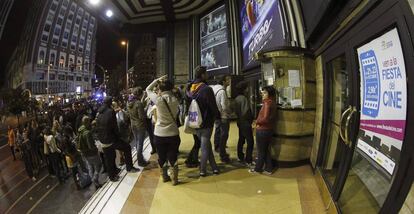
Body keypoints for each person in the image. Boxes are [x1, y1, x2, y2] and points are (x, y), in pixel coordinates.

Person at [146, 76, 181, 185]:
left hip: (159, 134)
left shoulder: (158, 99)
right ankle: (174, 178)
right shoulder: (176, 100)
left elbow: (148, 89)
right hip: (173, 133)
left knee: (162, 156)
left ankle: (165, 177)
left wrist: (156, 80)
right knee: (173, 155)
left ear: (160, 89)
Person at [96, 96, 139, 182]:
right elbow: (114, 126)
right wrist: (119, 136)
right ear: (110, 103)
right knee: (127, 147)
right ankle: (129, 167)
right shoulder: (110, 111)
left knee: (110, 157)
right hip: (110, 138)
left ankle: (113, 175)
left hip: (102, 139)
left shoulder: (99, 112)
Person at [187, 66, 220, 176]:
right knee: (204, 147)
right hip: (206, 122)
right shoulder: (206, 89)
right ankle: (202, 170)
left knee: (206, 145)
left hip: (194, 121)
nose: (207, 75)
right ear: (202, 75)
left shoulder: (190, 88)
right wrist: (218, 117)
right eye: (206, 73)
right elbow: (213, 106)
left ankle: (214, 167)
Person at [249, 86, 278, 174]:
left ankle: (258, 169)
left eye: (265, 92)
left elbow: (265, 118)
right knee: (266, 150)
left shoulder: (267, 103)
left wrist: (256, 121)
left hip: (262, 130)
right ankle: (269, 169)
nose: (262, 94)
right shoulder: (273, 102)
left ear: (270, 94)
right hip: (269, 130)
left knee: (261, 151)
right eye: (262, 92)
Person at [78, 116, 103, 188]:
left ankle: (95, 183)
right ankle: (95, 179)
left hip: (84, 153)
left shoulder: (80, 130)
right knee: (99, 165)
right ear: (87, 122)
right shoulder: (87, 133)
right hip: (91, 153)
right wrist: (96, 149)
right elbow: (90, 146)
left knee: (90, 167)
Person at [211, 75, 232, 163]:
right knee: (224, 135)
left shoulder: (214, 88)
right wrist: (229, 111)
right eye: (228, 80)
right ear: (223, 81)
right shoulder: (222, 91)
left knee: (218, 130)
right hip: (223, 116)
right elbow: (224, 106)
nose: (229, 82)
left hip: (216, 115)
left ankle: (217, 147)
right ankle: (223, 154)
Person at [127, 88, 149, 167]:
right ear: (139, 94)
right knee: (140, 143)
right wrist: (146, 109)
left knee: (137, 141)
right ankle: (140, 160)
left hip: (133, 124)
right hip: (140, 125)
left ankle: (140, 158)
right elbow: (141, 117)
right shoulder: (138, 103)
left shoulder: (129, 102)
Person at [234, 83, 254, 166]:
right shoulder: (244, 99)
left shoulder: (237, 98)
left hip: (239, 121)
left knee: (241, 139)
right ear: (244, 89)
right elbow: (246, 112)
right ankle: (248, 159)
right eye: (246, 88)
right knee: (250, 141)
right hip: (245, 122)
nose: (248, 89)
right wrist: (251, 120)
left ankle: (240, 156)